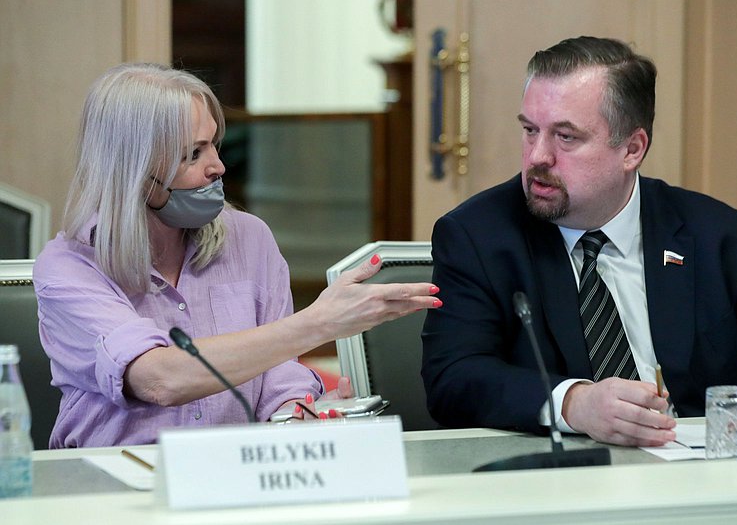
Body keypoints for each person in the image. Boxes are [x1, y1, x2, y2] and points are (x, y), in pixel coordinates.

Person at [34, 62, 441, 448]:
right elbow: (159, 379)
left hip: (238, 472)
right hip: (114, 487)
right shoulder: (69, 267)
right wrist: (320, 322)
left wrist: (294, 414)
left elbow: (279, 372)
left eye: (214, 144)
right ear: (134, 168)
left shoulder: (249, 239)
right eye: (193, 154)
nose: (218, 167)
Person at [421, 36, 737, 447]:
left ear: (632, 149)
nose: (536, 157)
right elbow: (452, 379)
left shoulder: (717, 235)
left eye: (565, 137)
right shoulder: (479, 236)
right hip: (562, 487)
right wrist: (573, 404)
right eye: (530, 130)